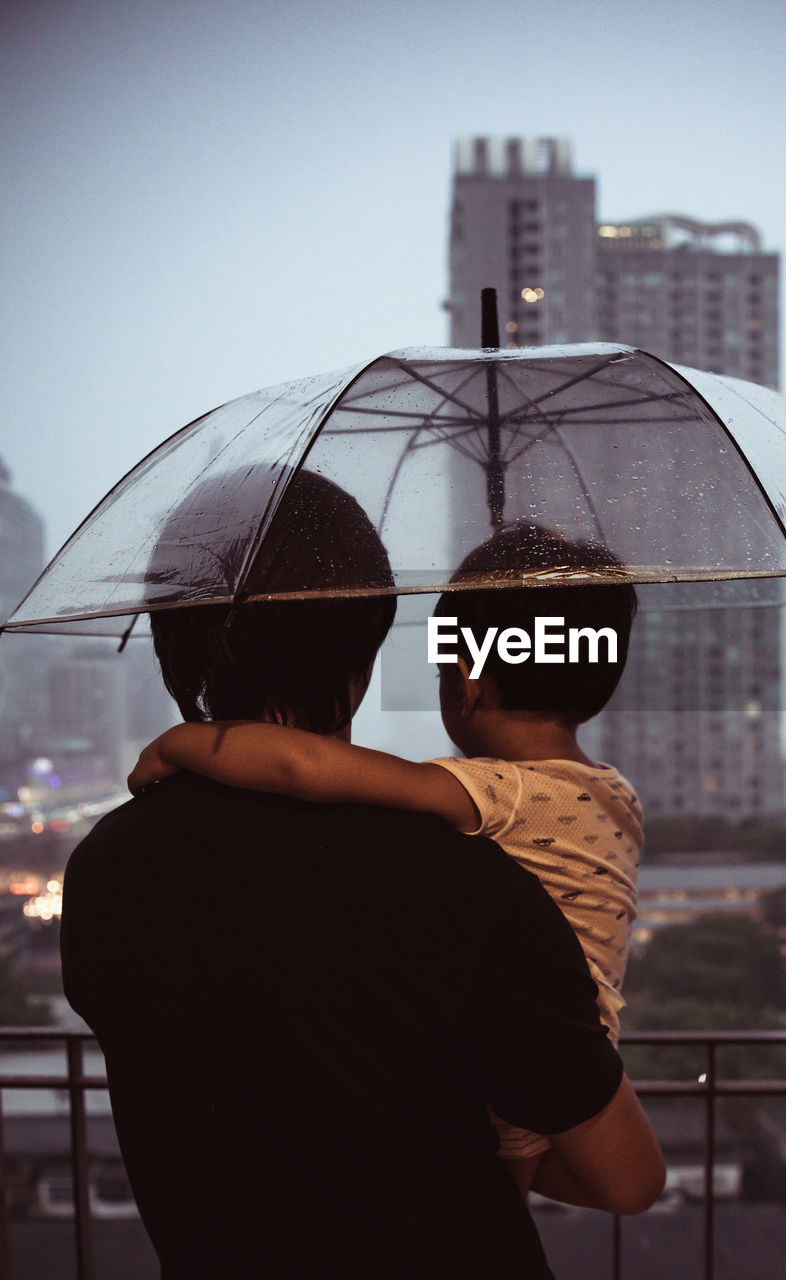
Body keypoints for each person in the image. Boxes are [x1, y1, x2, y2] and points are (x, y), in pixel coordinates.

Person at [60, 478, 664, 1279]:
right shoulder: (467, 887)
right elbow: (627, 1178)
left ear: (173, 634)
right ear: (366, 640)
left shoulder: (106, 868)